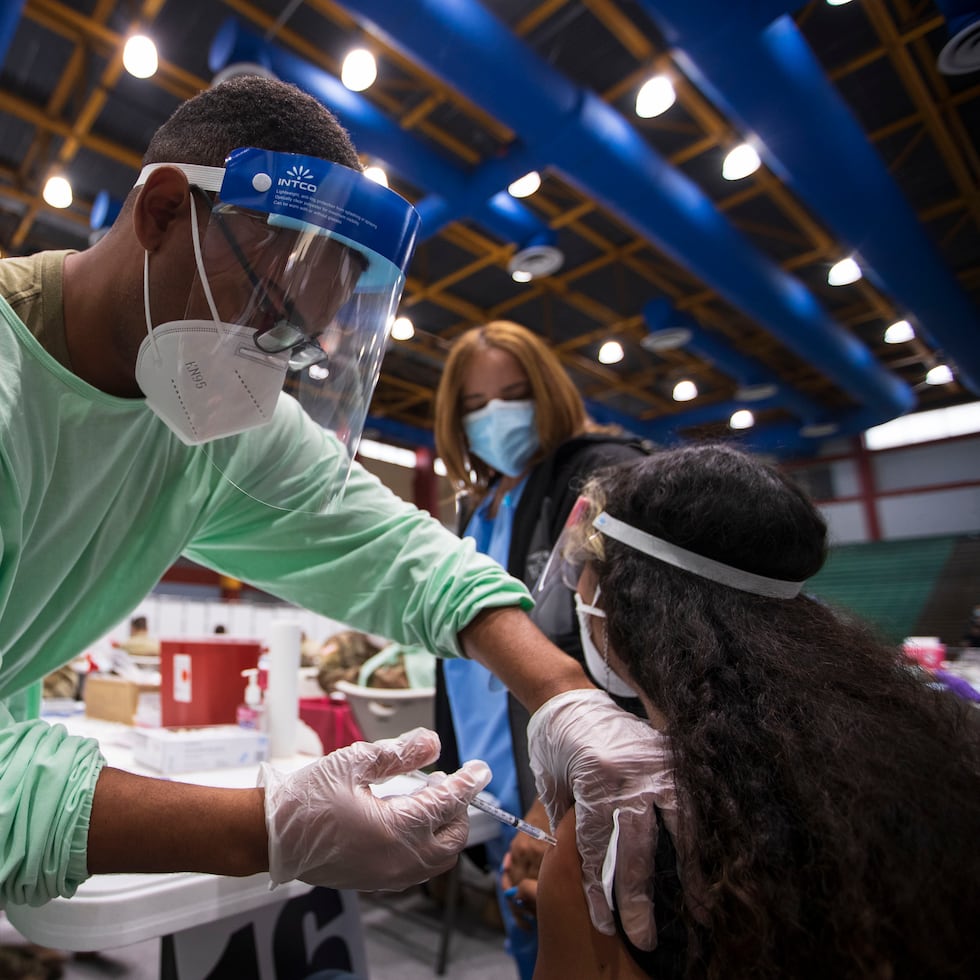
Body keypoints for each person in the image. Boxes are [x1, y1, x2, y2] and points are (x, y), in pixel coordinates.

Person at [0, 74, 667, 950]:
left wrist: (566, 697)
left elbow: (396, 550)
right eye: (262, 312)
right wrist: (268, 829)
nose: (258, 366)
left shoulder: (206, 423)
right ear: (162, 212)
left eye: (289, 342)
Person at [530, 444, 980, 979]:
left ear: (625, 598)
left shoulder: (611, 837)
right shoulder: (922, 762)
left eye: (584, 566)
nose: (578, 588)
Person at [433, 320, 649, 975]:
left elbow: (622, 646)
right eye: (474, 406)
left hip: (563, 791)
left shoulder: (593, 477)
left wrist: (560, 792)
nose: (493, 416)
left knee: (583, 956)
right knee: (527, 944)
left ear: (548, 392)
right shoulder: (478, 509)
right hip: (494, 784)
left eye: (513, 394)